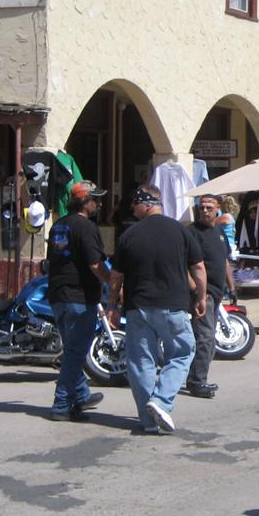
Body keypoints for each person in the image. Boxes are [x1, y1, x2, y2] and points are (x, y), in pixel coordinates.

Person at [109, 184, 206, 434]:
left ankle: (149, 421)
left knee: (141, 362)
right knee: (183, 353)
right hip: (172, 307)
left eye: (134, 204)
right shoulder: (180, 231)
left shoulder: (129, 235)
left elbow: (116, 277)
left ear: (146, 203)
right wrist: (202, 297)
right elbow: (198, 268)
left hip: (138, 307)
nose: (132, 209)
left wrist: (112, 306)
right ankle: (161, 401)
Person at [46, 180, 110, 422]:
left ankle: (81, 395)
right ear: (84, 202)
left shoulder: (59, 225)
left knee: (72, 348)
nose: (99, 203)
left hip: (58, 294)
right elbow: (95, 264)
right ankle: (61, 404)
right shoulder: (85, 227)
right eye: (96, 199)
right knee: (75, 352)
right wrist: (112, 283)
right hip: (79, 296)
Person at [186, 194, 236, 399]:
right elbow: (185, 266)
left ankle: (196, 377)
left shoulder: (218, 232)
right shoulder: (191, 232)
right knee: (205, 338)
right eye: (202, 207)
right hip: (202, 295)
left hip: (217, 293)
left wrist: (232, 287)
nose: (205, 211)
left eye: (209, 207)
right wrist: (197, 291)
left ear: (217, 209)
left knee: (209, 339)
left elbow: (223, 261)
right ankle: (198, 382)